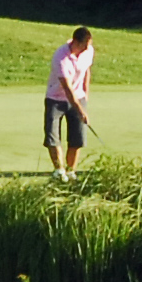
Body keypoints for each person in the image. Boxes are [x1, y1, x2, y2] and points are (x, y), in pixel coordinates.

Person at [42, 25, 96, 177]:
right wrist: (80, 110)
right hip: (55, 99)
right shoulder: (61, 57)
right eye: (85, 45)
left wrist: (85, 94)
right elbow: (67, 88)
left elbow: (87, 71)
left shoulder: (88, 51)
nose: (87, 48)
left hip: (78, 97)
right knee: (52, 136)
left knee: (77, 138)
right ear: (76, 42)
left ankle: (71, 170)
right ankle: (59, 169)